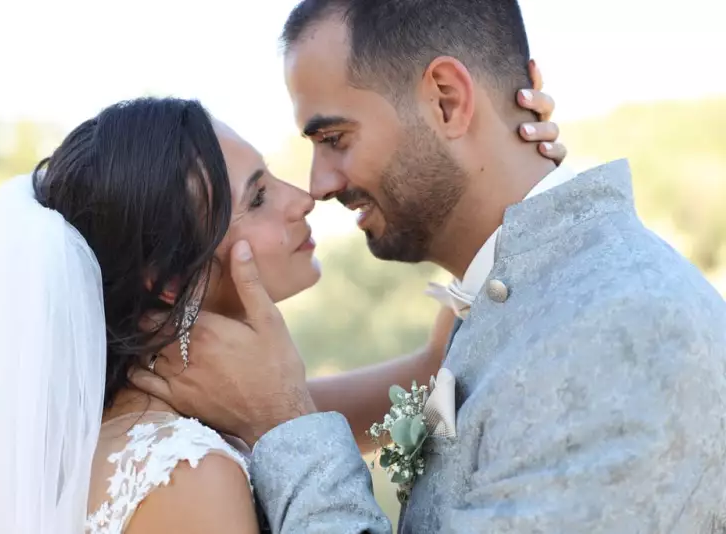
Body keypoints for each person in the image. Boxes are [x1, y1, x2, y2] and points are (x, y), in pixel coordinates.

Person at [134, 1, 726, 533]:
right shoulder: (514, 297)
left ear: (447, 100)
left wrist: (282, 423)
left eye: (335, 137)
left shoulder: (622, 327)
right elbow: (425, 381)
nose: (317, 186)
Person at [0, 82, 564, 531]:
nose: (303, 197)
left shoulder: (167, 419)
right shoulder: (186, 472)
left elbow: (386, 389)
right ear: (167, 281)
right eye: (258, 198)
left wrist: (503, 169)